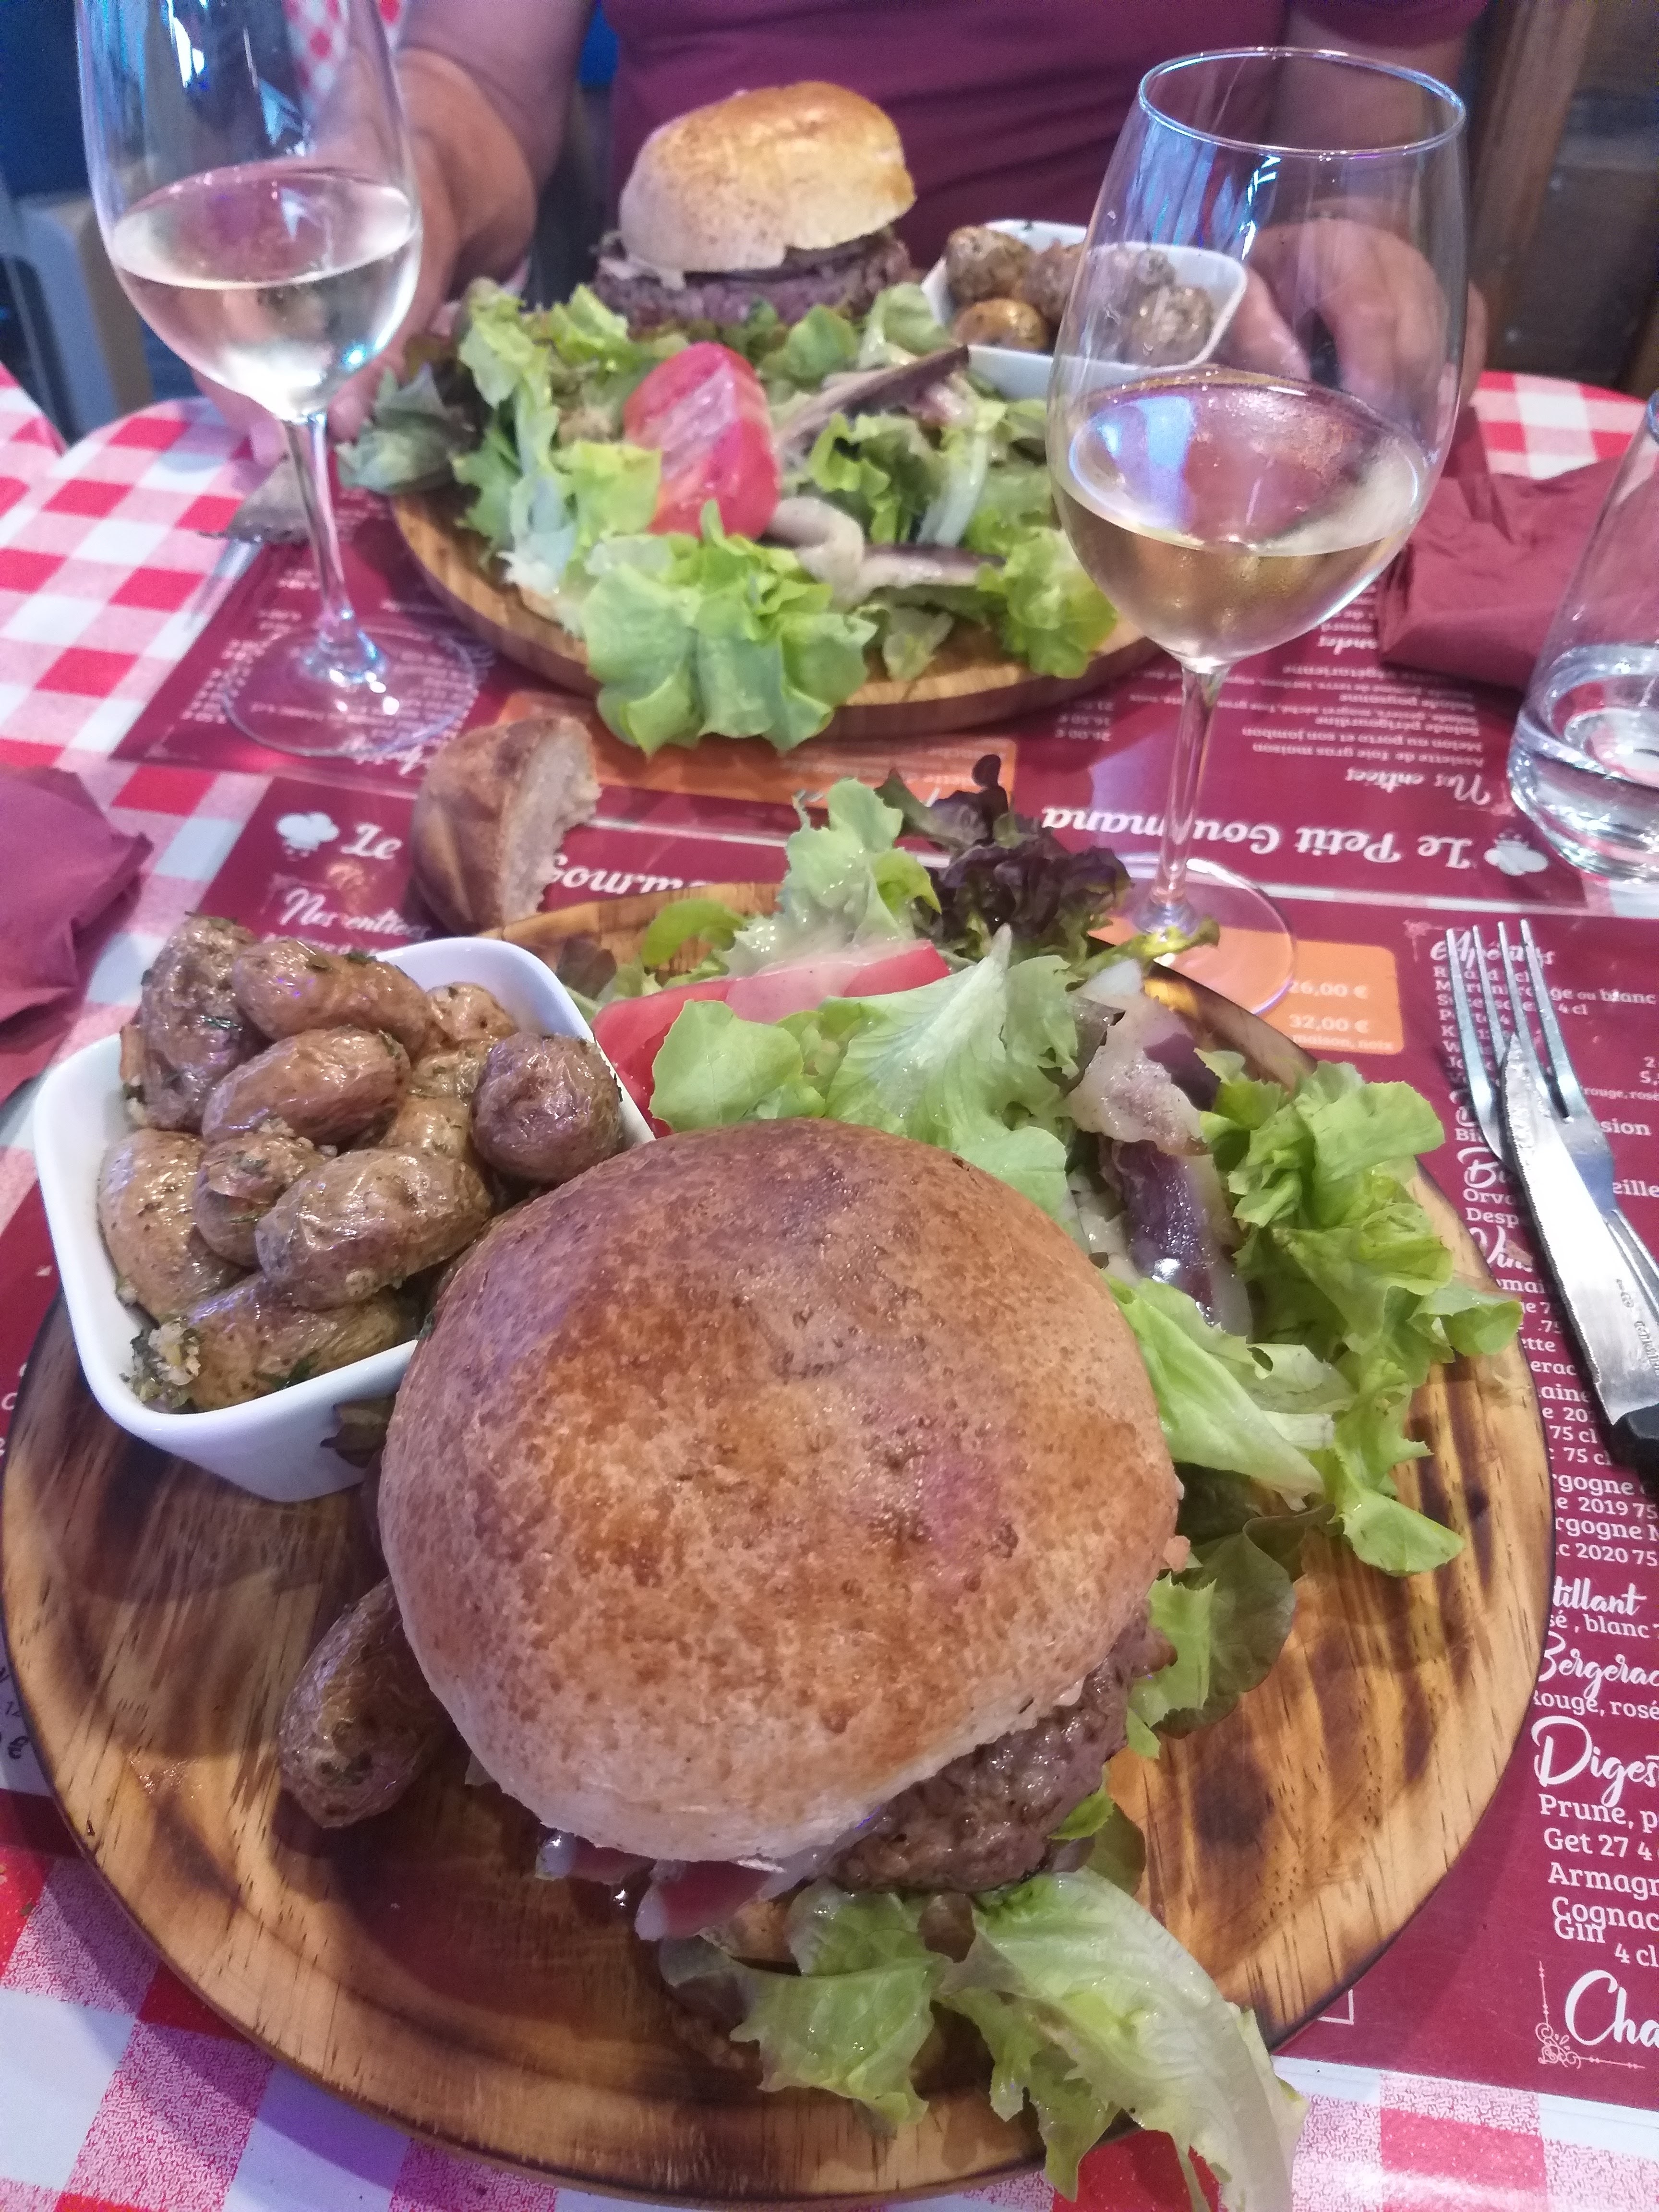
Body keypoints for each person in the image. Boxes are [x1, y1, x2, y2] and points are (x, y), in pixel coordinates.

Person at [208, 0, 1490, 457]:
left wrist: (1364, 256)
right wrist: (406, 186)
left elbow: (1362, 159)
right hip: (674, 432)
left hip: (1146, 445)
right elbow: (476, 78)